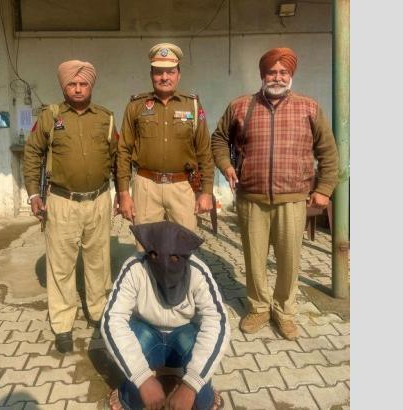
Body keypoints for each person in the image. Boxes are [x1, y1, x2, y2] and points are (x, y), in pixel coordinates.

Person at [211, 47, 339, 340]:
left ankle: (284, 311)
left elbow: (328, 151)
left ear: (291, 75)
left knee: (289, 260)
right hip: (251, 199)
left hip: (292, 199)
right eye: (272, 72)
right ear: (263, 75)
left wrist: (324, 189)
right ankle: (258, 307)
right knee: (254, 258)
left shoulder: (309, 107)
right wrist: (226, 166)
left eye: (283, 72)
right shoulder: (241, 106)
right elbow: (219, 139)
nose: (277, 77)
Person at [23, 60, 117, 353]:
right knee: (61, 266)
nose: (78, 89)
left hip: (99, 200)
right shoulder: (50, 117)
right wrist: (33, 195)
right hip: (62, 201)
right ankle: (63, 323)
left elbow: (118, 157)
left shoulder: (106, 118)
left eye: (83, 84)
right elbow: (32, 154)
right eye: (72, 84)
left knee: (99, 262)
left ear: (91, 86)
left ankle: (98, 312)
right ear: (64, 87)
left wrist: (123, 193)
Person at [101, 221, 229, 410]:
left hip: (183, 332)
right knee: (132, 399)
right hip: (147, 330)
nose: (166, 266)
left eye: (175, 258)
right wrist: (142, 379)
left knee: (202, 402)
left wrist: (191, 384)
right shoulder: (135, 267)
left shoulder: (198, 270)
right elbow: (113, 319)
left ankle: (196, 386)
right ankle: (130, 391)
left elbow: (217, 322)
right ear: (148, 252)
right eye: (155, 256)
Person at [117, 43, 215, 234]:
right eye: (158, 72)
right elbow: (123, 150)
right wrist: (124, 193)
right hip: (145, 186)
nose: (164, 77)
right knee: (146, 244)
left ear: (179, 75)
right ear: (151, 75)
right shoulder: (136, 106)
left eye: (170, 72)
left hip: (182, 186)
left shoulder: (192, 105)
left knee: (183, 244)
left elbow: (204, 151)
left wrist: (207, 191)